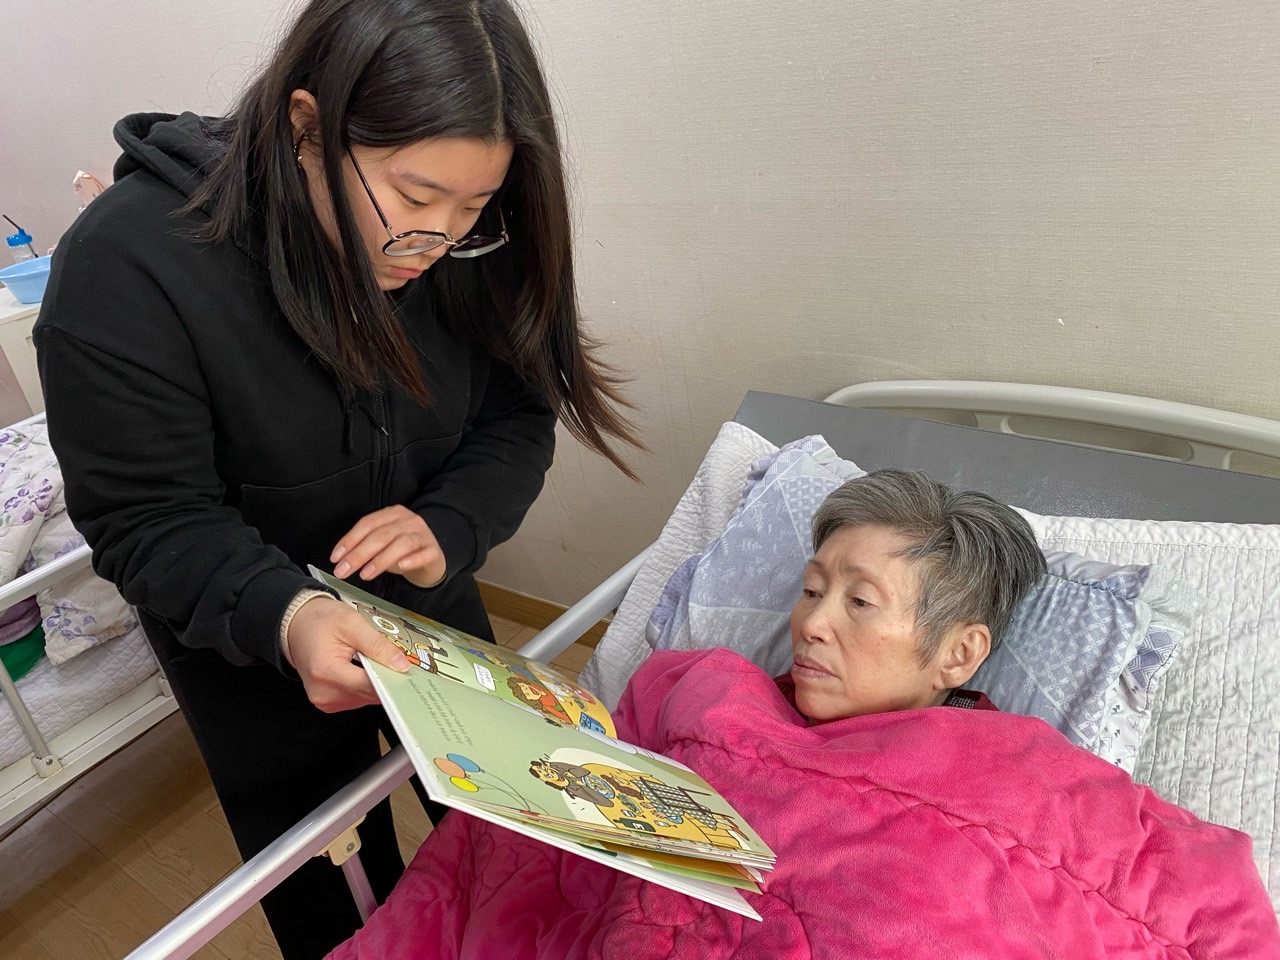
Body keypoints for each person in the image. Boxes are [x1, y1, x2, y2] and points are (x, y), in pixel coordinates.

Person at [34, 1, 639, 956]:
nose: (436, 243)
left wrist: (453, 521)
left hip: (426, 606)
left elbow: (517, 414)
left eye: (473, 209)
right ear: (307, 127)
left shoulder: (468, 243)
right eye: (415, 198)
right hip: (246, 631)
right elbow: (146, 516)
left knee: (512, 846)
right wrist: (287, 614)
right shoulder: (127, 263)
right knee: (337, 898)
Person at [328, 471, 1279, 959]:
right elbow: (566, 805)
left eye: (859, 602)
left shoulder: (1030, 769)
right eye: (813, 588)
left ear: (959, 653)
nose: (812, 623)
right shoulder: (707, 685)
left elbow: (1196, 908)